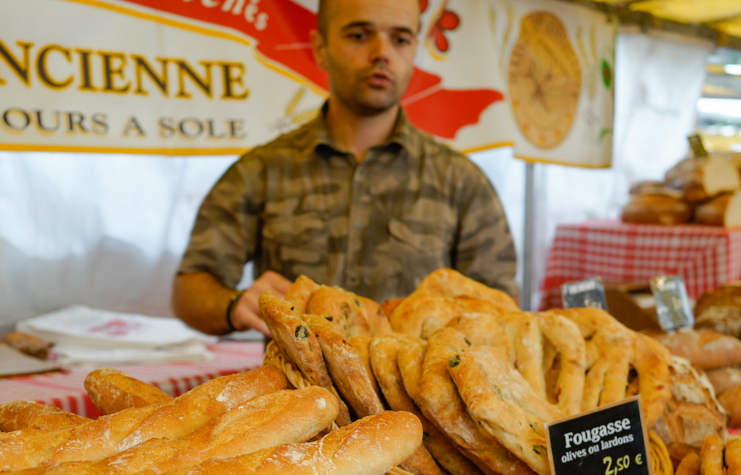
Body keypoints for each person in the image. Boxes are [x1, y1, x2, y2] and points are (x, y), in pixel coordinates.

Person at [172, 0, 519, 336]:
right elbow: (191, 286)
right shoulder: (262, 171)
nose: (382, 52)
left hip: (416, 393)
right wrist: (235, 304)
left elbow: (504, 311)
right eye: (359, 35)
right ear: (320, 48)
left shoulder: (460, 182)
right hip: (296, 393)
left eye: (400, 39)